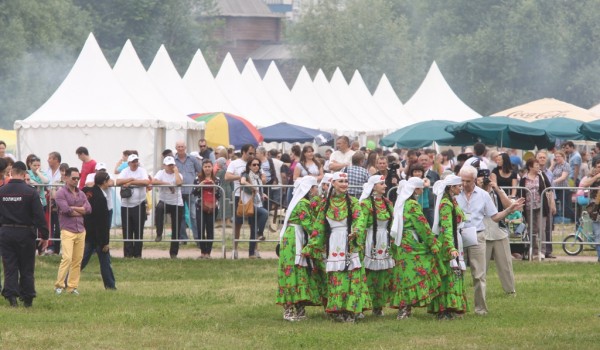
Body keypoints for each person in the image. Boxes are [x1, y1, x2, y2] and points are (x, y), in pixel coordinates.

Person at [302, 172, 372, 323]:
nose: (344, 183)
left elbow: (360, 220)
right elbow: (319, 227)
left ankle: (350, 311)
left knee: (351, 275)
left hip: (348, 241)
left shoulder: (353, 202)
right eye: (341, 181)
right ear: (333, 183)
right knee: (336, 276)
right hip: (333, 243)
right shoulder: (325, 204)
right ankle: (338, 310)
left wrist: (356, 232)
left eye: (346, 181)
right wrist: (311, 246)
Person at [456, 165, 524, 315]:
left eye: (468, 181)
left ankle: (480, 308)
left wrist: (508, 210)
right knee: (456, 272)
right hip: (458, 235)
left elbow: (494, 217)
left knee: (479, 274)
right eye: (462, 180)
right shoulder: (454, 194)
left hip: (478, 235)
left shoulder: (483, 195)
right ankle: (456, 306)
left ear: (474, 180)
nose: (464, 184)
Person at [389, 177, 441, 320]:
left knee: (404, 275)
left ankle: (404, 309)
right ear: (416, 190)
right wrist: (432, 243)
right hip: (411, 243)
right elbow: (422, 225)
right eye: (421, 188)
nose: (422, 191)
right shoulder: (412, 204)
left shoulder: (401, 202)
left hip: (400, 242)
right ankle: (406, 309)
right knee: (414, 273)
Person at [0, 161, 49, 307]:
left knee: (10, 266)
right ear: (24, 174)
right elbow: (39, 216)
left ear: (11, 173)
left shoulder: (2, 191)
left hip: (6, 232)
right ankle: (27, 297)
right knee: (27, 267)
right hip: (26, 232)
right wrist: (44, 235)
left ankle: (11, 297)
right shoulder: (30, 192)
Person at [276, 176, 321, 321]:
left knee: (301, 272)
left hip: (298, 237)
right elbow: (309, 225)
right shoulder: (302, 204)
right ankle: (288, 310)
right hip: (294, 240)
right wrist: (321, 235)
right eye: (315, 187)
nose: (317, 190)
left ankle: (300, 309)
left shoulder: (305, 203)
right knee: (292, 271)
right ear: (309, 189)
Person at [428, 174, 468, 320]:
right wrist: (451, 247)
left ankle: (452, 308)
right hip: (448, 242)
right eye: (459, 186)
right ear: (452, 187)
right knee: (448, 274)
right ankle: (443, 309)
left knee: (455, 274)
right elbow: (446, 228)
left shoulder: (453, 201)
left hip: (455, 239)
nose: (461, 188)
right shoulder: (446, 204)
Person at [359, 175, 394, 317]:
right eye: (381, 184)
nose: (385, 186)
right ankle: (362, 306)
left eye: (384, 183)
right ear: (373, 187)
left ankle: (378, 307)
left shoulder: (387, 203)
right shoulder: (366, 204)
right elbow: (361, 225)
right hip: (370, 240)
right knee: (367, 274)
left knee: (382, 275)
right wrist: (359, 243)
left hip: (384, 240)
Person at [54, 167, 92, 295]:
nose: (76, 180)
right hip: (67, 230)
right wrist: (80, 211)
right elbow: (66, 210)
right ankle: (59, 285)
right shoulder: (61, 193)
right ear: (66, 178)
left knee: (77, 260)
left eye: (78, 178)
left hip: (80, 230)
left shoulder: (81, 193)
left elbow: (88, 209)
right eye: (73, 178)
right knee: (67, 258)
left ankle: (72, 287)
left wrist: (75, 208)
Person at [81, 172, 116, 290]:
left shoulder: (87, 191)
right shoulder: (101, 198)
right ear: (104, 182)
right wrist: (105, 242)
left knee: (81, 260)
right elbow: (103, 222)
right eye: (108, 180)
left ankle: (67, 280)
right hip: (98, 237)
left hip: (88, 233)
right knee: (105, 262)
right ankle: (110, 285)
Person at [518, 158, 553, 260]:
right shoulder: (524, 178)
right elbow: (521, 192)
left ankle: (542, 251)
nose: (538, 167)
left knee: (541, 228)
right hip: (529, 207)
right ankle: (534, 250)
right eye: (536, 165)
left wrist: (551, 203)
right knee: (531, 229)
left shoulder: (541, 175)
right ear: (530, 167)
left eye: (538, 165)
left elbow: (549, 188)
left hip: (541, 206)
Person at [225, 144, 256, 259]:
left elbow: (262, 177)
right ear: (243, 152)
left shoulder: (255, 163)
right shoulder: (235, 163)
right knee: (237, 224)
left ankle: (254, 251)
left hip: (253, 197)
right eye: (250, 153)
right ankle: (235, 249)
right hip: (239, 196)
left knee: (254, 224)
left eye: (253, 153)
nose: (252, 155)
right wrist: (241, 177)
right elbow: (227, 177)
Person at [117, 154, 150, 258]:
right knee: (127, 230)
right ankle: (127, 254)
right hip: (125, 205)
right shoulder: (125, 171)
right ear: (129, 163)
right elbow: (118, 181)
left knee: (138, 230)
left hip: (139, 204)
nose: (135, 163)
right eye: (133, 162)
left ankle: (137, 254)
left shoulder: (142, 171)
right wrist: (130, 179)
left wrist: (131, 182)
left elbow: (146, 182)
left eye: (136, 161)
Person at [152, 156, 183, 258]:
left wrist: (176, 172)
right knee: (159, 209)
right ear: (164, 165)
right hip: (164, 201)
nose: (171, 167)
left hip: (177, 203)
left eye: (172, 165)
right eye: (169, 165)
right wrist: (167, 184)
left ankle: (173, 253)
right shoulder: (161, 173)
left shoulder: (178, 174)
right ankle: (159, 233)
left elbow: (179, 183)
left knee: (176, 228)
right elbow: (153, 181)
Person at [239, 157, 269, 258]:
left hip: (258, 202)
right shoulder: (245, 174)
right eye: (254, 164)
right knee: (265, 213)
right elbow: (242, 182)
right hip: (249, 203)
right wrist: (252, 186)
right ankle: (260, 233)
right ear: (249, 166)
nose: (256, 166)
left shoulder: (258, 176)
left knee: (253, 229)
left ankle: (251, 253)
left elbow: (258, 188)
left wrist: (262, 193)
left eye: (258, 165)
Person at [174, 141, 202, 245]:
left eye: (182, 146)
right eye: (178, 147)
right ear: (176, 148)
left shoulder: (192, 159)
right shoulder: (172, 160)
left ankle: (198, 239)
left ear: (185, 147)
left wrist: (198, 185)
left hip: (191, 192)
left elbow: (200, 172)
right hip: (178, 192)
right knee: (180, 216)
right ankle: (183, 238)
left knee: (193, 216)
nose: (180, 148)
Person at [192, 159, 221, 259]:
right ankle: (202, 251)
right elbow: (194, 192)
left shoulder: (217, 179)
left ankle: (208, 252)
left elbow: (219, 194)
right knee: (200, 228)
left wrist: (214, 186)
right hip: (200, 206)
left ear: (212, 167)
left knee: (210, 229)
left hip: (213, 207)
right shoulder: (197, 178)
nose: (207, 168)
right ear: (202, 168)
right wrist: (200, 185)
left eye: (209, 166)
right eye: (205, 167)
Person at [578, 159, 600, 262]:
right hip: (595, 207)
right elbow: (584, 184)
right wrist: (596, 177)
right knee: (597, 232)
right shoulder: (592, 177)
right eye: (599, 166)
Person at [549, 150, 572, 221]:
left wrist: (553, 182)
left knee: (565, 207)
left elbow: (563, 177)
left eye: (558, 156)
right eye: (555, 157)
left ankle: (575, 219)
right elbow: (548, 173)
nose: (557, 158)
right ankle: (554, 221)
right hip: (555, 189)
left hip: (563, 188)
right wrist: (552, 164)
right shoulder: (556, 165)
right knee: (553, 205)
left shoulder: (566, 165)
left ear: (563, 157)